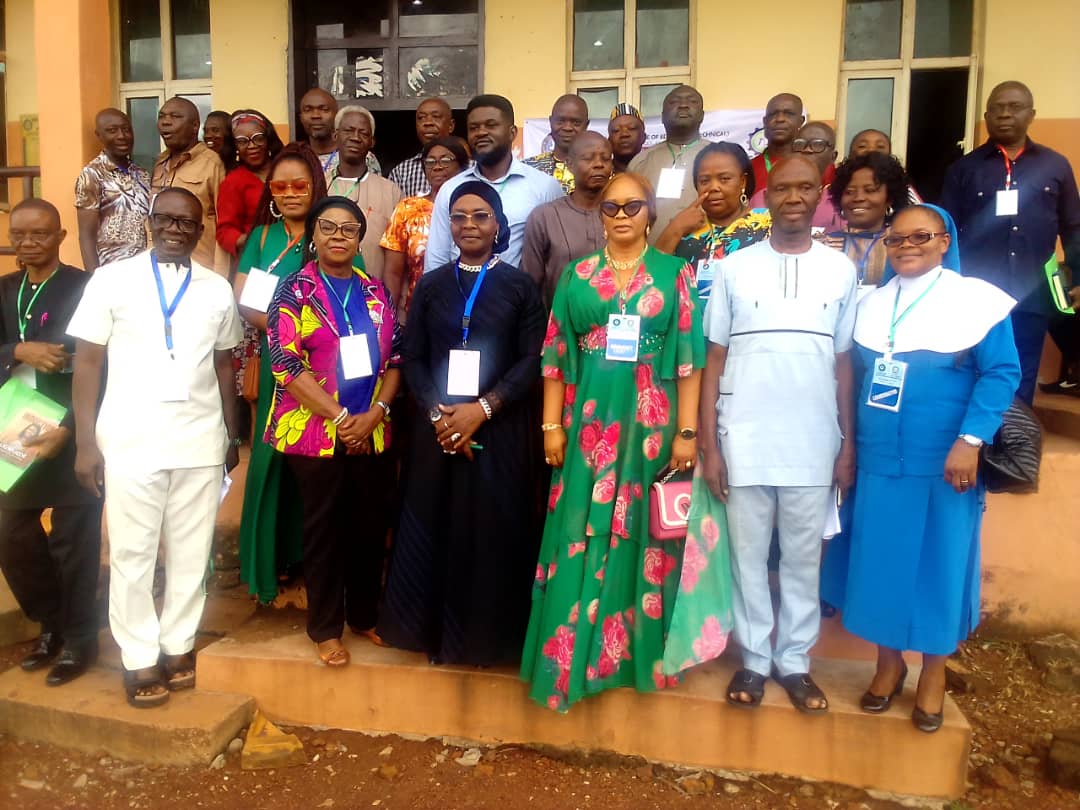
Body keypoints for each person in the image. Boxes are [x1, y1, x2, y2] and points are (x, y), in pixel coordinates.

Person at [821, 205, 1020, 733]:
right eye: (897, 238)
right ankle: (889, 665)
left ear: (944, 241)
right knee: (880, 563)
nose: (907, 245)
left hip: (944, 461)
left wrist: (970, 440)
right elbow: (852, 379)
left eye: (921, 236)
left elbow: (1001, 373)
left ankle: (935, 672)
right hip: (878, 459)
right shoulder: (871, 302)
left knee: (940, 565)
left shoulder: (975, 300)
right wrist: (848, 449)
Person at [521, 172, 705, 711]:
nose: (621, 215)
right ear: (600, 215)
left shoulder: (674, 273)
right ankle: (570, 663)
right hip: (587, 425)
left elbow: (690, 360)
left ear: (650, 212)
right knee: (580, 526)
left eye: (632, 205)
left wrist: (687, 434)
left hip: (652, 425)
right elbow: (555, 356)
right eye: (611, 207)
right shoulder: (576, 274)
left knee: (642, 531)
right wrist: (550, 426)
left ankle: (628, 660)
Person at [68, 187, 243, 708]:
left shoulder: (216, 289)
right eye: (165, 219)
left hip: (199, 438)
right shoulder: (110, 280)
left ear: (199, 230)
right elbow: (88, 363)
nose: (175, 230)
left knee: (191, 550)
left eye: (186, 222)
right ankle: (139, 655)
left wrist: (230, 433)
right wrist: (84, 443)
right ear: (149, 221)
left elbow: (226, 364)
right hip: (131, 438)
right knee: (133, 552)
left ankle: (178, 644)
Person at [698, 156, 857, 714]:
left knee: (802, 559)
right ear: (766, 197)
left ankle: (794, 662)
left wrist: (847, 443)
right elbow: (713, 359)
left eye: (804, 187)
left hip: (814, 439)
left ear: (820, 195)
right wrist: (709, 444)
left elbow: (844, 364)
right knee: (746, 558)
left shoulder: (840, 271)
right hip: (743, 436)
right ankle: (753, 660)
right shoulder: (734, 269)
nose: (793, 197)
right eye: (782, 187)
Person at [378, 181, 546, 667]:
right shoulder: (431, 286)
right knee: (437, 526)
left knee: (492, 529)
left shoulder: (520, 287)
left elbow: (532, 360)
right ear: (448, 226)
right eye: (459, 217)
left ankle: (490, 644)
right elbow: (413, 357)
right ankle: (434, 638)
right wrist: (440, 415)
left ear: (498, 226)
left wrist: (483, 409)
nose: (469, 225)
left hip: (500, 428)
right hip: (438, 430)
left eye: (480, 216)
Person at [265, 196, 401, 667]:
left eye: (349, 228)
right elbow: (285, 363)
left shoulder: (375, 291)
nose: (338, 236)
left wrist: (377, 412)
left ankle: (364, 615)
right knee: (324, 529)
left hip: (372, 430)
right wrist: (341, 419)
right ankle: (325, 628)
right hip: (314, 432)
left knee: (369, 526)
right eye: (328, 227)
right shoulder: (294, 289)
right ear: (314, 235)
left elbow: (397, 358)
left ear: (360, 238)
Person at [0, 199, 102, 686]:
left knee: (73, 540)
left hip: (71, 425)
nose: (28, 243)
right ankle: (51, 621)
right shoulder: (4, 289)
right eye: (19, 235)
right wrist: (17, 349)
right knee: (10, 531)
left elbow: (104, 361)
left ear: (60, 236)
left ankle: (80, 638)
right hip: (16, 426)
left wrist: (78, 431)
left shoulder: (87, 288)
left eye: (39, 234)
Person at [940, 80, 1080, 405]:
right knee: (974, 373)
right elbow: (945, 231)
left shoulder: (1055, 166)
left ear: (1032, 114)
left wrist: (1078, 277)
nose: (1005, 114)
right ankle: (977, 433)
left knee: (1021, 375)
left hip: (1033, 292)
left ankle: (1014, 435)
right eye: (997, 108)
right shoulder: (963, 169)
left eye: (1014, 107)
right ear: (986, 116)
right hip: (976, 295)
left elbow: (1074, 226)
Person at [234, 143, 328, 606]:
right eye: (280, 186)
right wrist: (288, 334)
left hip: (323, 370)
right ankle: (268, 566)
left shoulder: (330, 230)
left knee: (312, 463)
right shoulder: (262, 238)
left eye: (299, 185)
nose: (290, 193)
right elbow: (245, 301)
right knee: (271, 459)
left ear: (315, 187)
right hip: (278, 365)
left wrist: (314, 339)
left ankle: (307, 559)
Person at [425, 94, 563, 272]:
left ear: (512, 133)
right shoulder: (450, 189)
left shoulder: (544, 186)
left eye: (491, 125)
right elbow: (436, 257)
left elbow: (557, 254)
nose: (481, 132)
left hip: (516, 289)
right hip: (458, 289)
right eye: (474, 127)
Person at [654, 142, 771, 302]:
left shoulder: (768, 224)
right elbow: (651, 281)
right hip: (693, 318)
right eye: (704, 181)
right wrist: (675, 229)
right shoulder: (684, 228)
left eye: (724, 179)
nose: (714, 187)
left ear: (743, 182)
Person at [380, 136, 468, 323]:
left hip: (470, 310)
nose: (437, 167)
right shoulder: (408, 209)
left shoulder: (473, 209)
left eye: (446, 160)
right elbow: (393, 272)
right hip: (421, 312)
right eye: (430, 161)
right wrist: (391, 319)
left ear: (462, 167)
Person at [521, 131, 613, 309]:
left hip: (615, 321)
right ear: (569, 164)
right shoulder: (544, 217)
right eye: (588, 158)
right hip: (559, 320)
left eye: (606, 158)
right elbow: (530, 284)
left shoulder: (622, 214)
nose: (599, 164)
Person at [150, 97, 228, 276]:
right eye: (162, 116)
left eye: (175, 116)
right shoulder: (160, 163)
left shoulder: (212, 163)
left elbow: (223, 224)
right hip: (158, 268)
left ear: (195, 126)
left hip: (198, 270)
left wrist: (220, 276)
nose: (166, 122)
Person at [324, 105, 403, 282]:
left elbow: (398, 257)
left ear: (372, 142)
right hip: (322, 292)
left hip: (374, 293)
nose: (355, 137)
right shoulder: (319, 185)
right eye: (348, 131)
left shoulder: (391, 192)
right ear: (335, 136)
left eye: (363, 133)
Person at [628, 85, 710, 242]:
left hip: (710, 253)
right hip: (654, 253)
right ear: (662, 116)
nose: (683, 105)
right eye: (674, 102)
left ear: (702, 115)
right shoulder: (640, 162)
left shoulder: (720, 157)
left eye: (692, 101)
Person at [74, 108, 151, 270]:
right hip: (110, 270)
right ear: (99, 135)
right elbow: (86, 235)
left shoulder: (142, 174)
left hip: (144, 267)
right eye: (112, 130)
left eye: (126, 129)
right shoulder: (92, 174)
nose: (121, 136)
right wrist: (94, 276)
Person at [824, 151, 912, 289]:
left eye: (870, 190)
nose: (858, 198)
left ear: (889, 198)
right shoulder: (824, 245)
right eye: (849, 192)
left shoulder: (904, 245)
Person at [216, 109, 285, 259]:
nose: (252, 146)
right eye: (242, 141)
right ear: (234, 146)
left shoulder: (285, 169)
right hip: (256, 258)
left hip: (296, 249)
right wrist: (252, 241)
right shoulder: (233, 181)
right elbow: (225, 231)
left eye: (258, 138)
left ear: (268, 139)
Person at [752, 122, 842, 230]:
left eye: (818, 144)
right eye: (800, 144)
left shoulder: (843, 199)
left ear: (833, 156)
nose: (807, 150)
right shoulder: (763, 198)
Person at [299, 88, 381, 180]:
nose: (316, 116)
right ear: (301, 117)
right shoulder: (296, 158)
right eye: (308, 110)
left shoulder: (363, 157)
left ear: (336, 115)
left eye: (324, 109)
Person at [387, 98, 456, 198]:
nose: (428, 123)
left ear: (451, 126)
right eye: (421, 118)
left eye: (436, 116)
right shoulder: (401, 172)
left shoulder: (470, 168)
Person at [749, 93, 816, 192]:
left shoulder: (817, 166)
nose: (780, 119)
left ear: (801, 121)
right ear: (765, 121)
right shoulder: (748, 169)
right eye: (773, 114)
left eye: (789, 114)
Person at [524, 94, 590, 194]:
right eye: (560, 121)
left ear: (586, 125)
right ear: (550, 122)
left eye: (576, 123)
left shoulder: (599, 170)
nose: (567, 128)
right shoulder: (528, 169)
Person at [608, 103, 647, 175]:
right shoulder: (601, 175)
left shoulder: (655, 170)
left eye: (632, 128)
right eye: (616, 130)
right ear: (609, 140)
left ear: (643, 137)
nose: (624, 134)